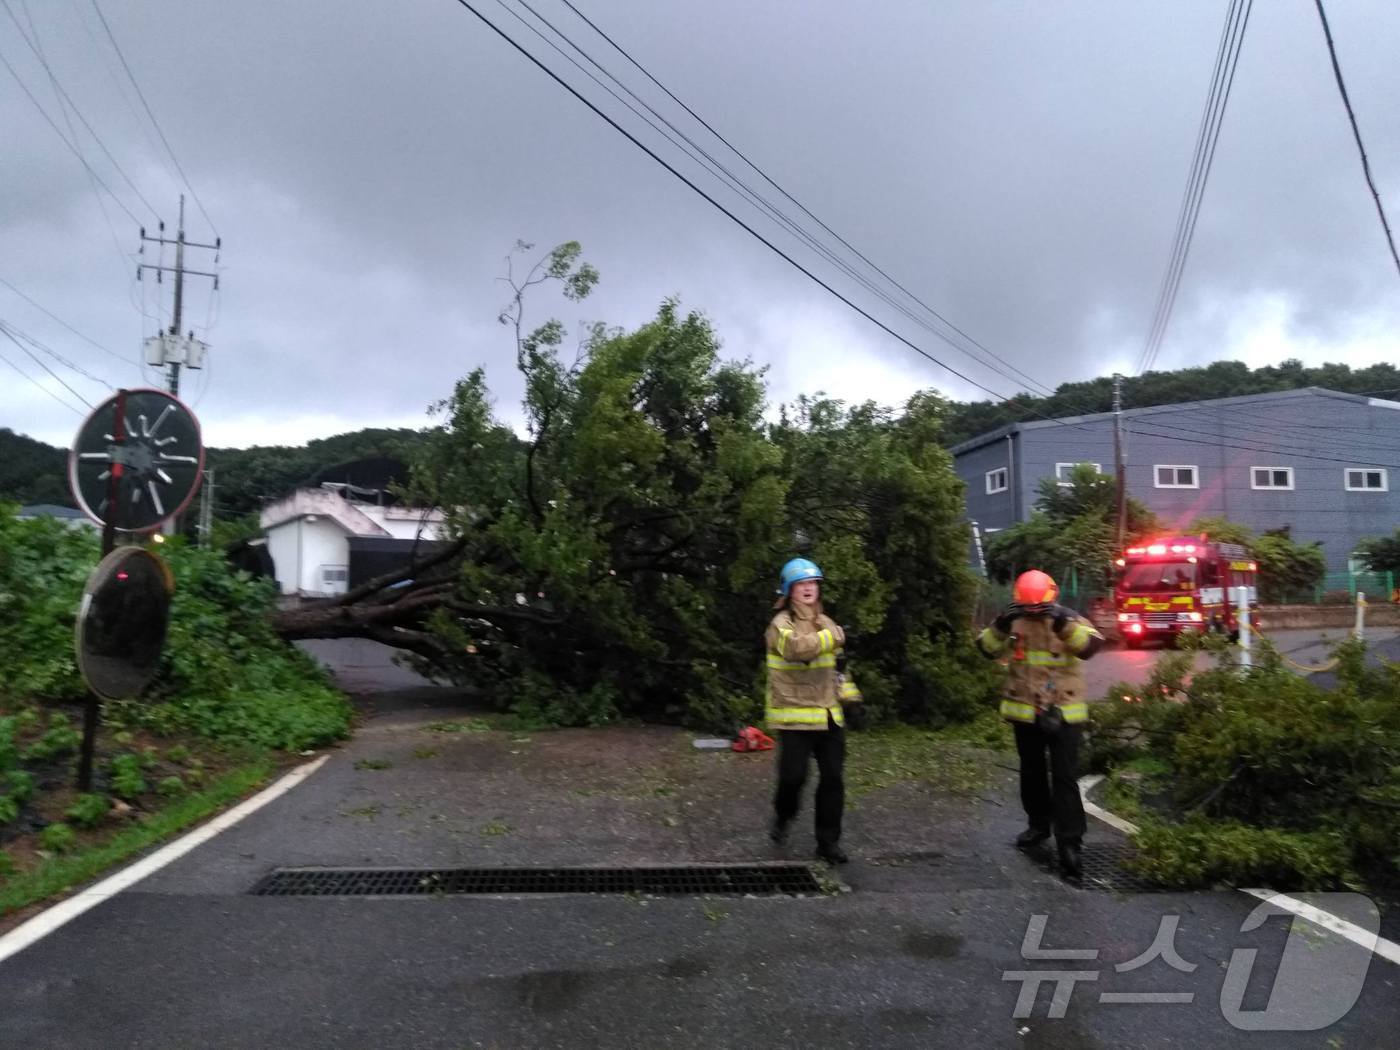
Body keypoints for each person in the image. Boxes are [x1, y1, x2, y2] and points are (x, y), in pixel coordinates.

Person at [976, 569, 1104, 878]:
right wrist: (1001, 625)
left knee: (1064, 778)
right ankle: (1037, 825)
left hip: (1063, 713)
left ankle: (1070, 842)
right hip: (1025, 712)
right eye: (1027, 607)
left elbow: (1090, 647)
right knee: (1031, 772)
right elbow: (985, 648)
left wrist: (1062, 624)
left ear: (1052, 598)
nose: (1033, 613)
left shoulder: (1070, 619)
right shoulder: (1013, 621)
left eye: (1038, 608)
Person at [764, 557, 863, 864]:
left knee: (833, 780)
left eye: (812, 584)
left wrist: (853, 700)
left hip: (829, 715)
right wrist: (834, 636)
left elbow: (839, 670)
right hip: (795, 716)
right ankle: (783, 815)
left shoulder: (827, 622)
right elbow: (797, 647)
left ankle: (828, 842)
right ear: (789, 590)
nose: (808, 589)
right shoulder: (780, 625)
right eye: (801, 584)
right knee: (793, 778)